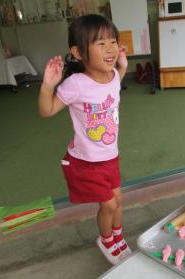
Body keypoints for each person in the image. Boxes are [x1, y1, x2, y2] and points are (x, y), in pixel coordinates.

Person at [38, 14, 130, 265]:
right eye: (100, 44)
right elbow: (47, 111)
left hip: (111, 157)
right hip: (87, 162)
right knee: (109, 205)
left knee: (119, 201)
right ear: (78, 52)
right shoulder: (76, 84)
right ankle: (106, 239)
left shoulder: (112, 76)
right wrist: (48, 86)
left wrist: (123, 65)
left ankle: (119, 237)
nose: (110, 48)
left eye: (113, 41)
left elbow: (116, 82)